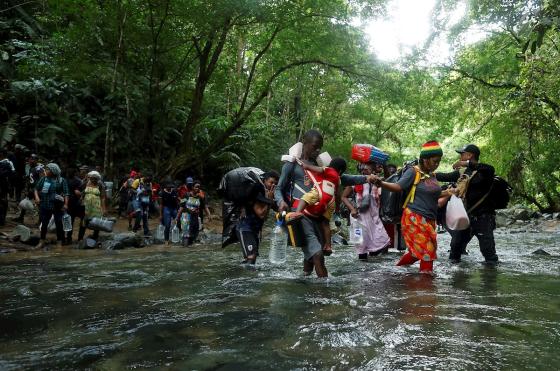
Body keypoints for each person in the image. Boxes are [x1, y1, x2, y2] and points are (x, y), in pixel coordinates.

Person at [275, 129, 377, 277]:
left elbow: (342, 178)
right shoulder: (291, 165)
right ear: (305, 143)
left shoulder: (320, 165)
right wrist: (281, 201)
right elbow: (279, 188)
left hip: (319, 215)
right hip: (301, 215)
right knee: (317, 255)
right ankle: (324, 293)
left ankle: (304, 281)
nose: (317, 151)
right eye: (315, 146)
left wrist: (366, 178)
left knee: (311, 256)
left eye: (320, 148)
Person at [373, 141, 453, 273]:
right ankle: (425, 287)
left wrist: (450, 192)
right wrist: (381, 183)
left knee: (417, 253)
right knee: (428, 252)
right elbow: (398, 187)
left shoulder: (432, 175)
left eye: (439, 161)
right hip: (414, 218)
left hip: (429, 219)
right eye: (435, 161)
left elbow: (436, 194)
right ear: (425, 159)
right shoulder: (412, 172)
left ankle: (395, 271)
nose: (437, 164)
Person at [435, 144, 499, 265]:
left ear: (470, 155)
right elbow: (443, 176)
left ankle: (490, 279)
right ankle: (457, 278)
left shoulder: (484, 172)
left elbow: (490, 168)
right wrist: (426, 172)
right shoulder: (462, 172)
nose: (460, 157)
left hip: (484, 217)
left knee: (488, 253)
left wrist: (466, 163)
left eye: (462, 154)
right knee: (455, 249)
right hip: (466, 216)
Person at [294, 157, 347, 256]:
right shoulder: (338, 179)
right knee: (325, 223)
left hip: (320, 193)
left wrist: (307, 166)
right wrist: (337, 209)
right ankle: (328, 245)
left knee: (305, 197)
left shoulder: (329, 170)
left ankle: (298, 212)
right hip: (331, 201)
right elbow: (338, 195)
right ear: (340, 171)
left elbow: (319, 169)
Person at [342, 161, 390, 261]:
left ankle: (374, 271)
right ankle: (362, 271)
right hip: (358, 218)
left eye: (367, 167)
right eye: (363, 168)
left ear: (373, 169)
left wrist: (384, 165)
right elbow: (343, 197)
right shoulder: (354, 181)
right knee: (361, 247)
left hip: (374, 219)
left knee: (381, 243)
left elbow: (388, 179)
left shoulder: (377, 181)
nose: (365, 169)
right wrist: (352, 209)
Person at [236, 171, 279, 264]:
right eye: (271, 182)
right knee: (251, 257)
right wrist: (270, 200)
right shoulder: (256, 192)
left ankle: (243, 274)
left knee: (252, 258)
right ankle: (244, 277)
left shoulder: (268, 194)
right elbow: (261, 214)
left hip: (256, 230)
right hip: (245, 228)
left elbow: (268, 215)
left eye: (275, 184)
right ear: (264, 181)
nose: (273, 186)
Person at [34, 163, 69, 249]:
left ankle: (59, 242)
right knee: (44, 223)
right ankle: (41, 241)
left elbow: (66, 193)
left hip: (58, 205)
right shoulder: (44, 179)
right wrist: (37, 197)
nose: (46, 171)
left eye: (48, 169)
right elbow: (36, 189)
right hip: (45, 204)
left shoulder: (61, 180)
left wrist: (66, 204)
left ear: (53, 171)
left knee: (59, 224)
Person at [78, 171, 106, 241]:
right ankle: (80, 238)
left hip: (96, 206)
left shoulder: (100, 185)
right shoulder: (85, 183)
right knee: (83, 221)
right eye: (91, 178)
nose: (93, 180)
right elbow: (82, 193)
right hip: (86, 206)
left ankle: (95, 237)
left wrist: (104, 208)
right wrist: (81, 198)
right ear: (89, 178)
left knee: (96, 222)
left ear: (97, 179)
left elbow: (102, 197)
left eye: (95, 178)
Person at [65, 165, 88, 244]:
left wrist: (79, 193)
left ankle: (80, 238)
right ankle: (69, 238)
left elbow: (83, 193)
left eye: (70, 172)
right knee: (69, 221)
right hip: (70, 204)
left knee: (82, 221)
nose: (68, 173)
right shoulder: (65, 180)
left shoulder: (78, 181)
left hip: (79, 204)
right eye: (68, 172)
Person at [0, 148, 15, 226]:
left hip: (3, 186)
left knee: (3, 202)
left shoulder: (7, 163)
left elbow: (11, 175)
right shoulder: (4, 162)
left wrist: (10, 187)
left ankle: (2, 220)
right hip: (4, 185)